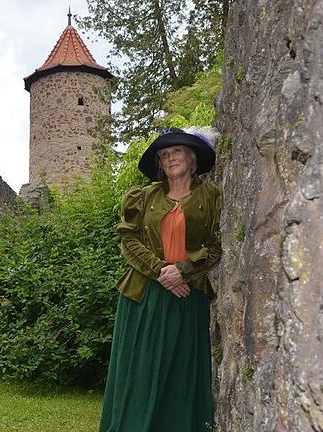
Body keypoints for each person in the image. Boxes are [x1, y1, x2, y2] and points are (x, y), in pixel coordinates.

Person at [99, 127, 223, 431]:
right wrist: (160, 271)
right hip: (144, 297)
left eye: (176, 151)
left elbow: (217, 246)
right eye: (164, 155)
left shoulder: (211, 197)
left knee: (179, 373)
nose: (170, 158)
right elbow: (128, 241)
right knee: (139, 372)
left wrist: (182, 270)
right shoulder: (143, 197)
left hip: (187, 296)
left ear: (192, 157)